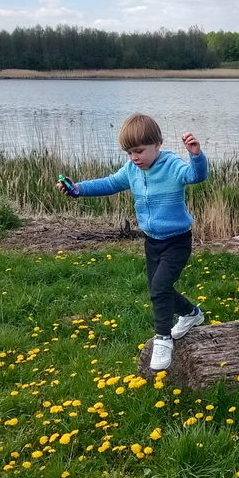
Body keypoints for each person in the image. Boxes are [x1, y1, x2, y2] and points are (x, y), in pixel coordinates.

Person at [56, 113, 208, 370]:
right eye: (129, 153)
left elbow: (196, 176)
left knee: (160, 288)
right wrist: (78, 189)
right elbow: (110, 183)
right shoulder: (132, 170)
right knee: (159, 290)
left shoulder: (172, 166)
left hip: (177, 241)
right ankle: (192, 314)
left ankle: (163, 338)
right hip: (152, 241)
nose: (134, 157)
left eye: (139, 151)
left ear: (157, 143)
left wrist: (196, 155)